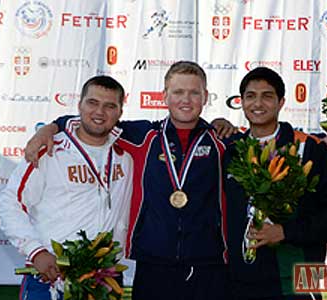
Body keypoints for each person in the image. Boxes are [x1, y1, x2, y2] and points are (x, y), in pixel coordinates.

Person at [24, 61, 231, 300]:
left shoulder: (223, 142)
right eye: (178, 92)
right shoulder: (143, 136)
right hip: (153, 264)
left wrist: (224, 124)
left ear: (205, 96)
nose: (186, 99)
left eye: (194, 92)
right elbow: (93, 122)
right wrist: (50, 128)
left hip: (209, 265)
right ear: (164, 96)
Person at [0, 76, 132, 300]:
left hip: (105, 281)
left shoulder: (128, 154)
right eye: (92, 103)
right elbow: (10, 203)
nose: (100, 112)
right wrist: (36, 251)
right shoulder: (50, 150)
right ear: (79, 105)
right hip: (50, 275)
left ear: (120, 112)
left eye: (110, 106)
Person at [224, 67, 327, 300]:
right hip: (239, 281)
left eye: (267, 96)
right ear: (241, 102)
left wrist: (285, 232)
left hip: (294, 281)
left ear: (281, 102)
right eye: (250, 96)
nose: (258, 103)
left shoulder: (308, 150)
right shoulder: (230, 150)